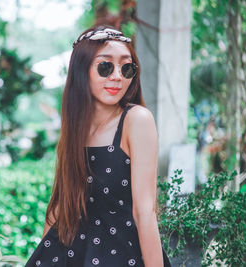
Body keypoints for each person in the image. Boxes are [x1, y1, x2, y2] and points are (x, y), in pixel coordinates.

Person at [25, 25, 171, 267]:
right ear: (82, 71)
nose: (117, 76)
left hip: (124, 255)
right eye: (105, 66)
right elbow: (60, 207)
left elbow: (144, 212)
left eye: (127, 68)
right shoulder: (75, 127)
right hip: (74, 252)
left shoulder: (136, 120)